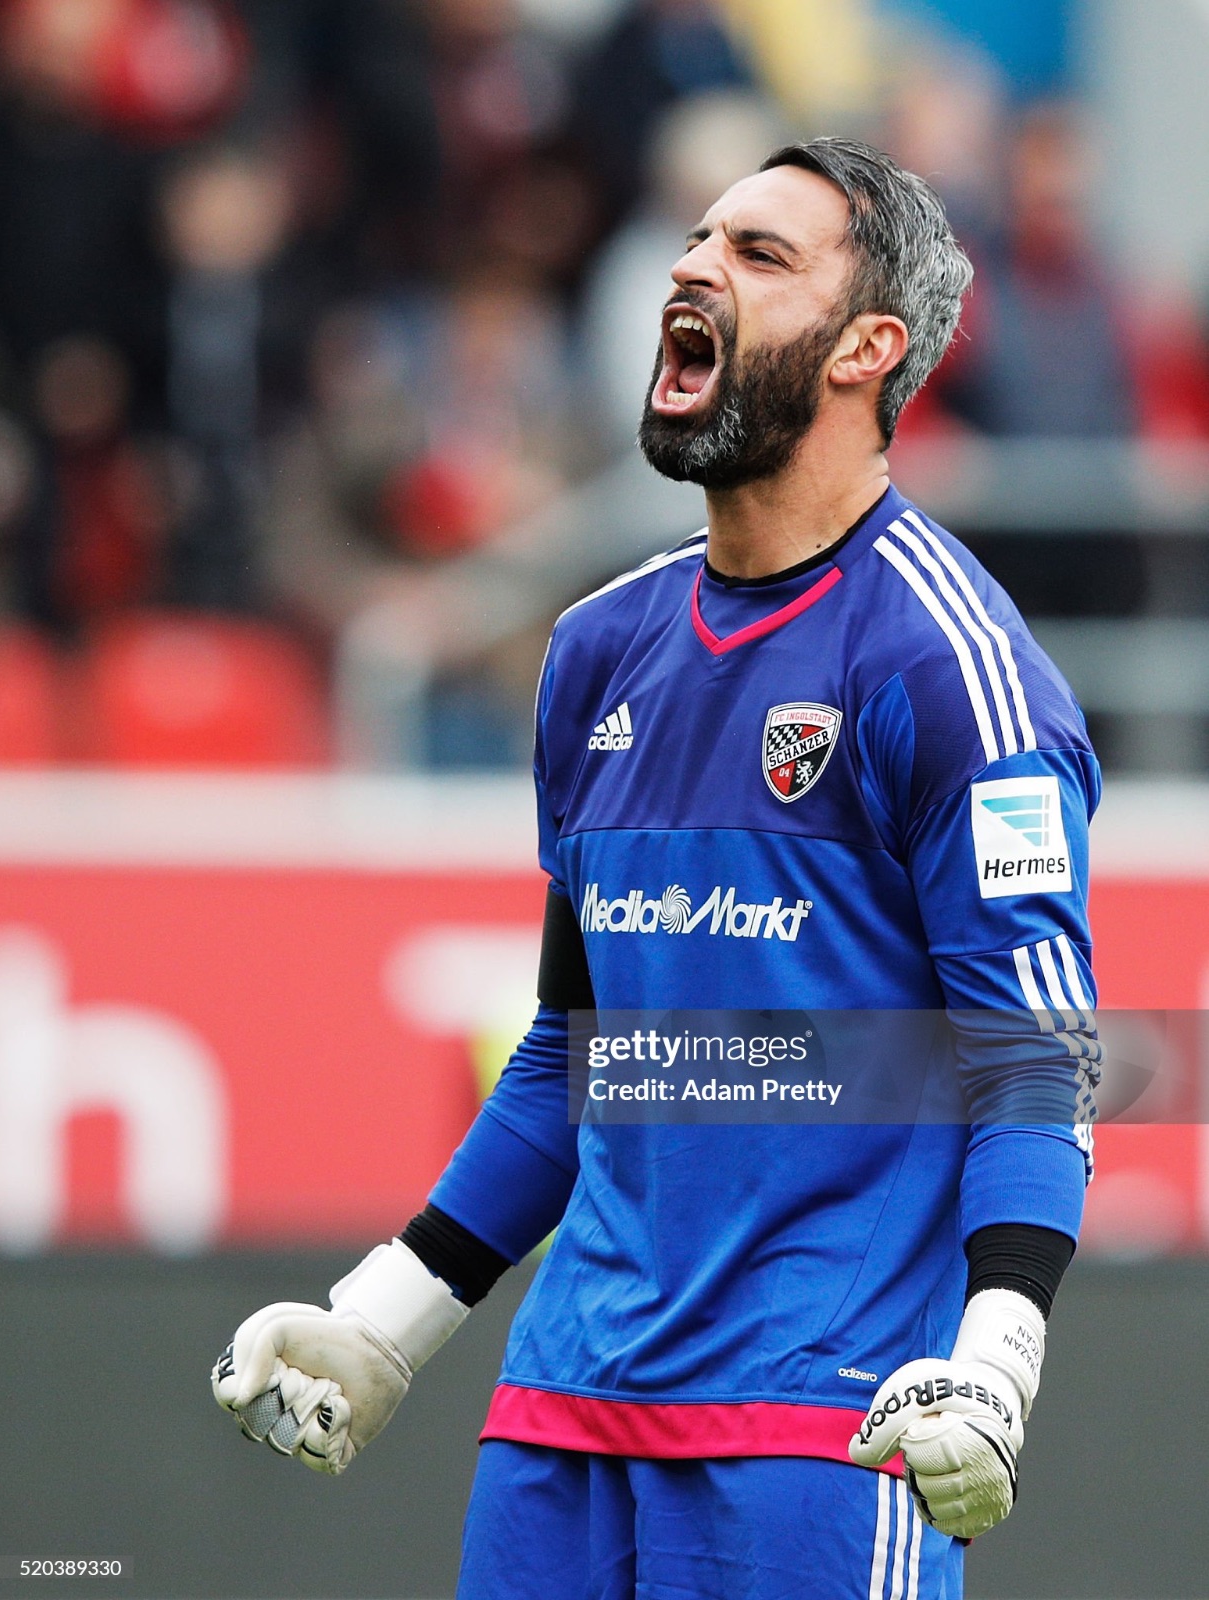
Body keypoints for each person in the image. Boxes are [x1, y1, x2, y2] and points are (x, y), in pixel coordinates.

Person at [212, 138, 1099, 1600]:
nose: (692, 265)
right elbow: (575, 1055)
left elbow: (1031, 1063)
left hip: (827, 1434)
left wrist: (993, 1358)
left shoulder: (952, 670)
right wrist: (385, 1317)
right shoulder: (596, 652)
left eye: (757, 255)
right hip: (555, 1424)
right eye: (697, 240)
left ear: (865, 350)